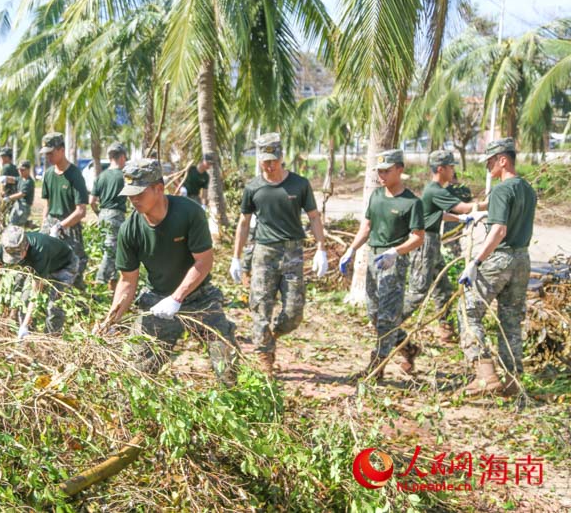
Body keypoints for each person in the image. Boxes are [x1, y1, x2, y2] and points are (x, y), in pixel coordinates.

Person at [101, 159, 237, 384]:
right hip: (158, 300)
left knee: (226, 362)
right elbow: (127, 281)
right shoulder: (130, 229)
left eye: (139, 193)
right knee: (138, 371)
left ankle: (234, 402)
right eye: (130, 195)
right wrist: (110, 321)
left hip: (198, 297)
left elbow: (204, 262)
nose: (134, 200)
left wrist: (177, 297)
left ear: (159, 189)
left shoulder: (189, 213)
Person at [230, 132, 329, 375]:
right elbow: (244, 223)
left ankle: (272, 335)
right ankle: (265, 359)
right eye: (265, 160)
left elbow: (314, 217)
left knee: (294, 311)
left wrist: (321, 249)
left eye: (273, 159)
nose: (269, 165)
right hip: (264, 253)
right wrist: (236, 257)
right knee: (260, 307)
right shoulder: (253, 187)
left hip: (292, 252)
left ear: (281, 157)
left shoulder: (299, 184)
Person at [456, 138, 536, 397]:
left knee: (468, 310)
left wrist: (476, 261)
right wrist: (482, 215)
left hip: (500, 259)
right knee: (511, 319)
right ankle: (513, 379)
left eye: (490, 161)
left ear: (503, 160)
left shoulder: (502, 190)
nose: (488, 166)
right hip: (522, 260)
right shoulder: (527, 188)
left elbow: (500, 230)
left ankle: (484, 372)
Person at [339, 149, 425, 379]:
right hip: (373, 258)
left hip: (393, 262)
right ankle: (407, 347)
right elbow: (366, 227)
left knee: (387, 318)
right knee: (374, 313)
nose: (382, 176)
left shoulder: (411, 202)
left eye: (387, 171)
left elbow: (418, 236)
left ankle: (376, 369)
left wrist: (395, 252)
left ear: (400, 169)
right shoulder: (376, 196)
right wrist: (351, 249)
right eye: (379, 172)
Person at [402, 150, 487, 342]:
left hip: (432, 241)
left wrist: (459, 219)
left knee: (443, 288)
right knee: (418, 292)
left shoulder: (435, 190)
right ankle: (390, 323)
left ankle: (446, 329)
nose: (453, 170)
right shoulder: (436, 190)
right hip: (424, 243)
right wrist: (492, 203)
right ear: (441, 169)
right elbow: (465, 206)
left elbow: (435, 214)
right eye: (451, 167)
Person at [0, 225, 79, 337]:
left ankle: (50, 339)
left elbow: (35, 294)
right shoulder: (6, 246)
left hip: (64, 266)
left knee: (54, 306)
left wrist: (24, 325)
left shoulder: (39, 251)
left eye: (17, 255)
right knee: (24, 301)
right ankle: (28, 338)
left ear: (26, 247)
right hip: (40, 264)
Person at [39, 132, 88, 289]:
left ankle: (78, 302)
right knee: (44, 264)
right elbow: (47, 205)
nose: (48, 158)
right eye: (46, 154)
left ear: (61, 150)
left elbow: (81, 211)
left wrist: (61, 226)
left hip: (70, 226)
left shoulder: (74, 175)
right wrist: (43, 228)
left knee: (76, 266)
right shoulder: (48, 175)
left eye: (51, 153)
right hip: (50, 223)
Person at [90, 142, 128, 291]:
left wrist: (99, 214)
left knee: (111, 250)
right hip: (116, 215)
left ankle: (112, 286)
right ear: (122, 157)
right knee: (111, 251)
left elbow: (91, 201)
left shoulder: (101, 176)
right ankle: (99, 284)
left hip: (103, 215)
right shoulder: (123, 176)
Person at [2, 161, 35, 226]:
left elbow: (21, 194)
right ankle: (29, 224)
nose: (20, 172)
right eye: (19, 170)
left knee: (15, 225)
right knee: (11, 220)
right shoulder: (21, 178)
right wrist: (5, 178)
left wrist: (8, 198)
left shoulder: (28, 182)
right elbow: (13, 179)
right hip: (18, 204)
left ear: (28, 170)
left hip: (24, 207)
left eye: (22, 170)